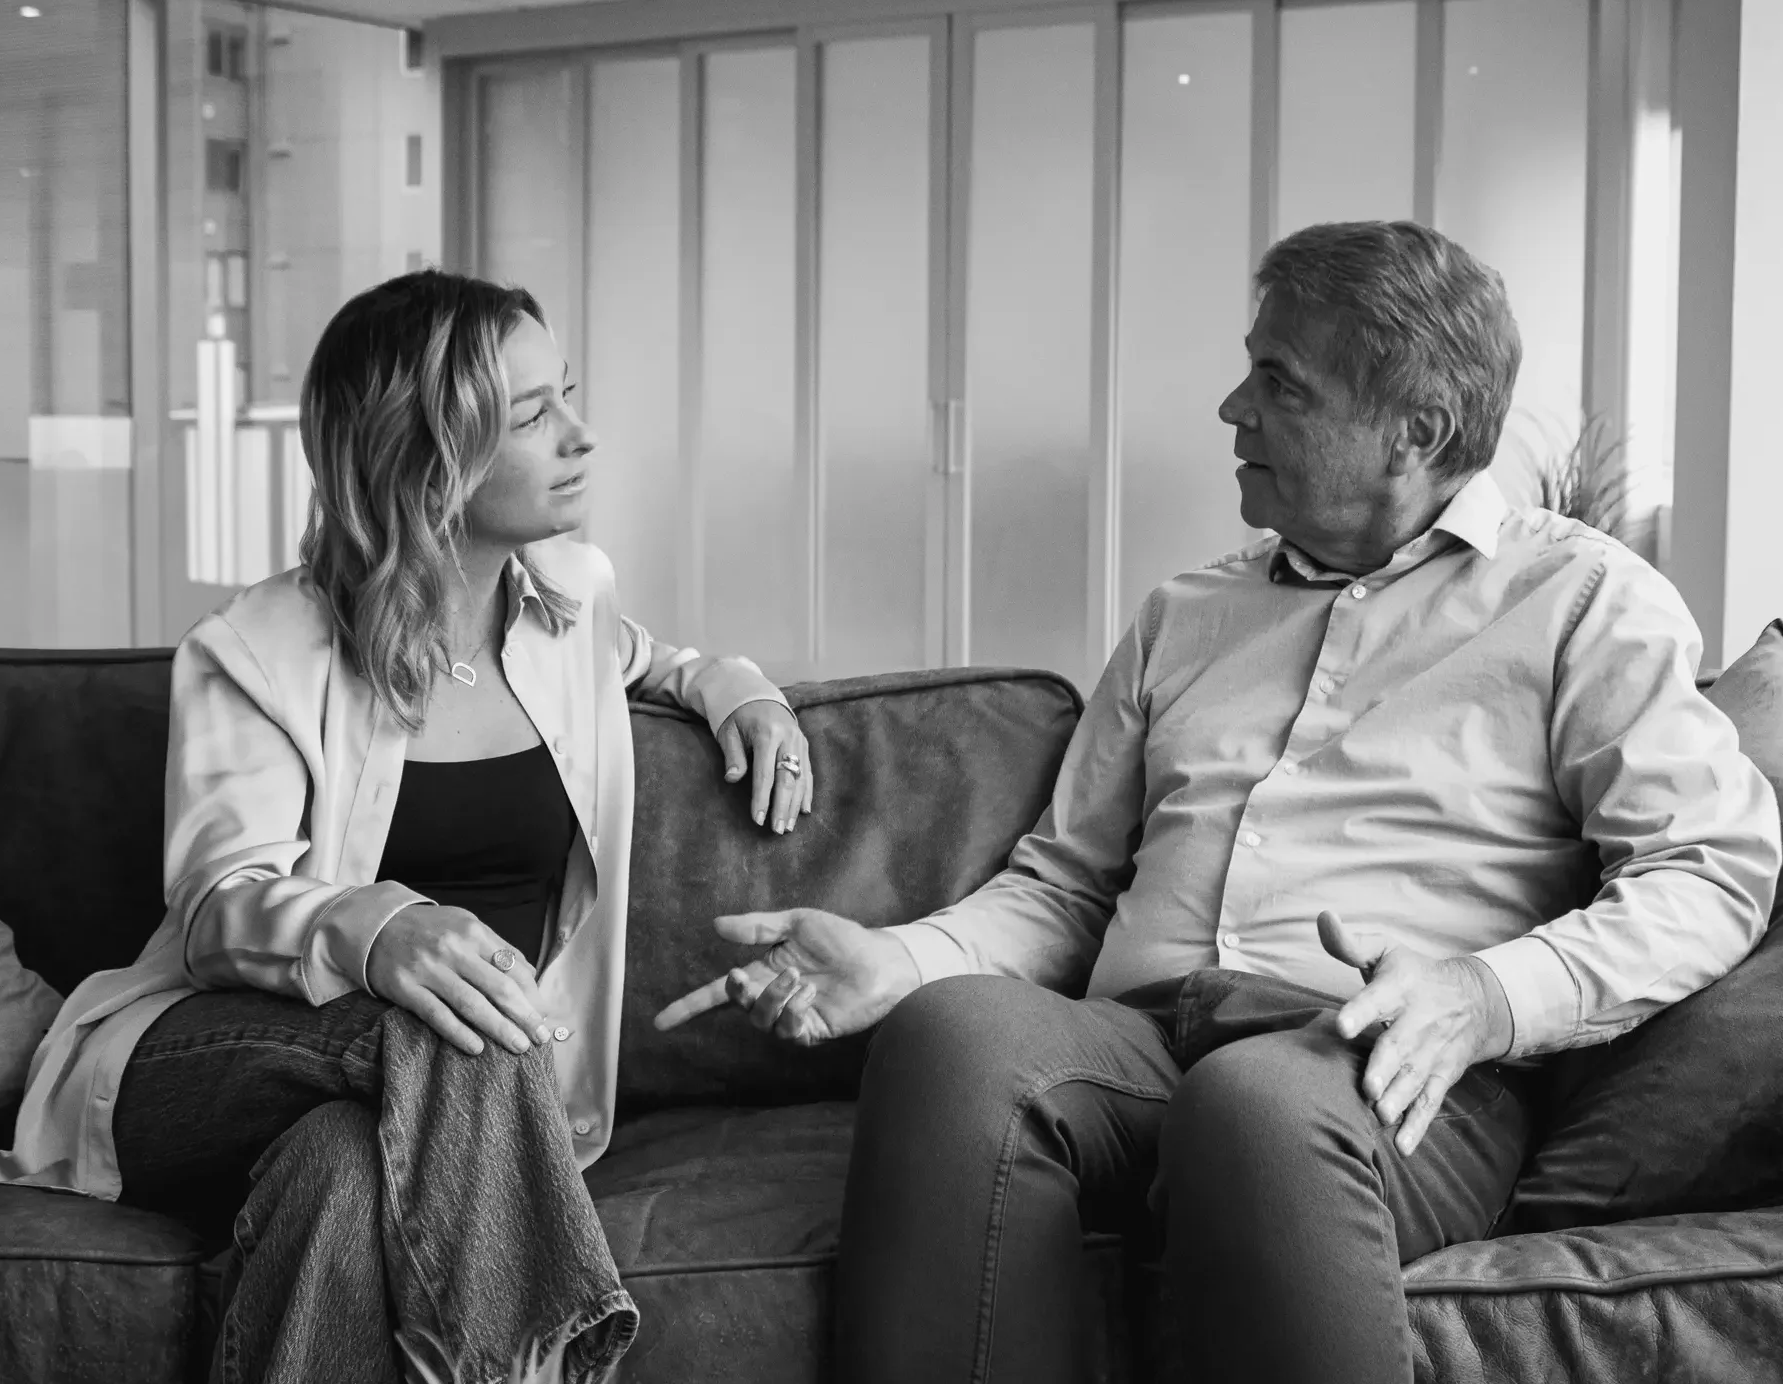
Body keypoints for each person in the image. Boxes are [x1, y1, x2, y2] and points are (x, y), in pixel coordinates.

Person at [656, 220, 1781, 1383]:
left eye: (1278, 381)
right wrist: (898, 961)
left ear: (1417, 432)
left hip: (1380, 1066)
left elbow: (1710, 868)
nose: (1230, 409)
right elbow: (1065, 883)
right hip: (1139, 1040)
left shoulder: (1580, 600)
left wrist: (1480, 997)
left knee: (1252, 1102)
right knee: (957, 1032)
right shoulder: (1183, 613)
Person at [0, 270, 816, 1384]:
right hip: (200, 1063)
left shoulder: (571, 598)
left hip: (409, 1110)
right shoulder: (256, 650)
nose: (581, 434)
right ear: (426, 454)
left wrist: (737, 686)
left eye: (562, 395)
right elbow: (221, 901)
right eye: (531, 414)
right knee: (452, 1012)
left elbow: (652, 660)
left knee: (338, 1173)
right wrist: (379, 929)